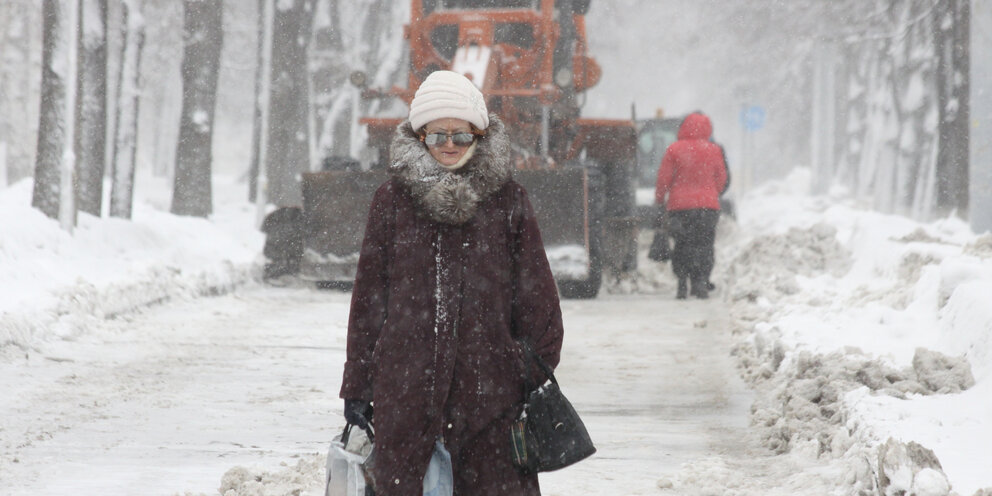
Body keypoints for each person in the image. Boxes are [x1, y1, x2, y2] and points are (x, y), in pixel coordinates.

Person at [339, 70, 565, 495]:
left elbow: (538, 300)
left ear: (479, 136)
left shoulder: (508, 201)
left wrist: (524, 369)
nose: (448, 145)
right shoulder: (391, 201)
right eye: (437, 135)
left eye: (461, 137)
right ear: (419, 134)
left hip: (490, 403)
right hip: (404, 395)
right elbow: (369, 301)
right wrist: (358, 385)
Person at [655, 112, 728, 300]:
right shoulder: (714, 150)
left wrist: (660, 199)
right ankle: (701, 282)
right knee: (704, 245)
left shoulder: (674, 149)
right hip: (708, 208)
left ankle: (682, 283)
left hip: (680, 208)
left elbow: (664, 179)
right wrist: (711, 193)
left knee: (682, 244)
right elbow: (721, 178)